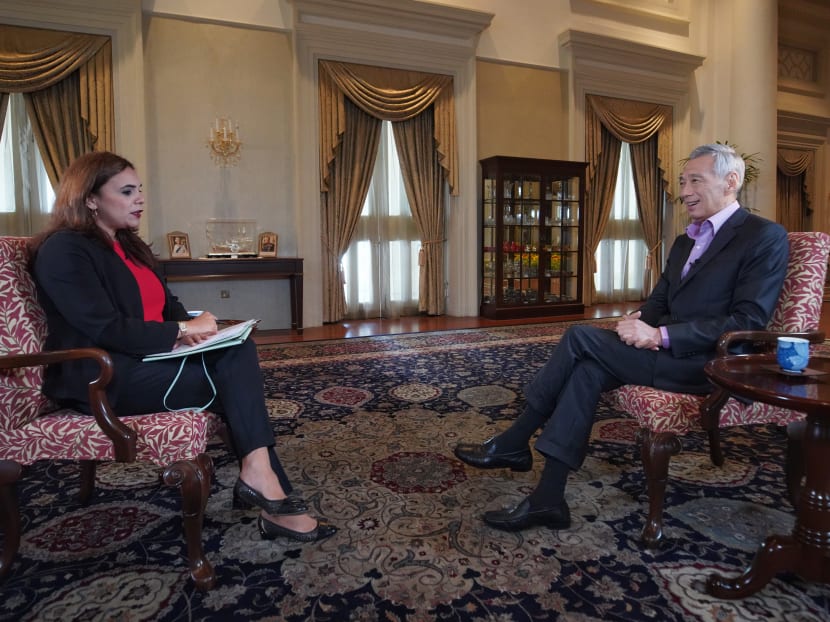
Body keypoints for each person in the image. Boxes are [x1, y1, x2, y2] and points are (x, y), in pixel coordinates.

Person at [454, 143, 789, 531]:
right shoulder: (685, 241)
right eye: (682, 182)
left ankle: (516, 440)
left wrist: (659, 335)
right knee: (587, 371)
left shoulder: (763, 236)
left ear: (732, 181)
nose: (684, 191)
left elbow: (748, 320)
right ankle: (548, 498)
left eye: (696, 180)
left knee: (580, 337)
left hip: (712, 364)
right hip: (669, 356)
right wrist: (637, 321)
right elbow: (661, 298)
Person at [29, 151, 336, 543]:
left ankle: (263, 481)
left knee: (237, 350)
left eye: (139, 190)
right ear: (90, 198)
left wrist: (195, 327)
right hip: (103, 377)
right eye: (126, 191)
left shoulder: (128, 245)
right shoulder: (64, 249)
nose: (139, 198)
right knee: (235, 383)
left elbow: (166, 303)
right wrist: (182, 328)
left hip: (146, 360)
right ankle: (270, 491)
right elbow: (104, 326)